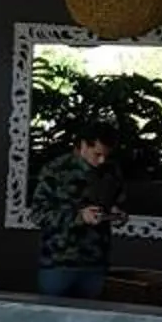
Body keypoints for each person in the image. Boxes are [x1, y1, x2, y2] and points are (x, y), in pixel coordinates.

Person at [35, 126, 126, 298]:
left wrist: (115, 213)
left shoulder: (111, 170)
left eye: (106, 155)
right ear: (84, 145)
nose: (102, 161)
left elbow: (116, 201)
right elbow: (38, 214)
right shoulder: (55, 170)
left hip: (96, 263)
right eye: (97, 154)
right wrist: (79, 217)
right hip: (59, 263)